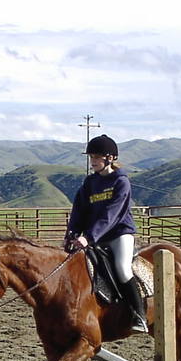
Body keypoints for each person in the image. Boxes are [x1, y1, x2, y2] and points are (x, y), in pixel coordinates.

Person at [65, 134, 148, 334]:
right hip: (96, 237)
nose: (92, 161)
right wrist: (72, 234)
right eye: (91, 157)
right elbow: (79, 210)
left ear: (110, 158)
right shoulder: (90, 183)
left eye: (96, 157)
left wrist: (88, 237)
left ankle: (139, 316)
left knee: (122, 268)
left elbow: (111, 215)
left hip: (119, 234)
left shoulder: (121, 182)